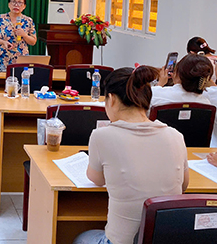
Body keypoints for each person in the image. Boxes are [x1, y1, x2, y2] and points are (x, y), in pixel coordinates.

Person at [73, 66, 189, 244]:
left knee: (83, 237)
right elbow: (183, 185)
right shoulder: (176, 136)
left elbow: (96, 179)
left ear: (111, 99)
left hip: (121, 241)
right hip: (163, 238)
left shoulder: (102, 136)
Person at [0, 0, 37, 71]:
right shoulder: (1, 18)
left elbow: (33, 41)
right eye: (13, 2)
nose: (16, 5)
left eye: (20, 3)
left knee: (21, 82)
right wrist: (3, 42)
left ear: (24, 6)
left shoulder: (28, 21)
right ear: (9, 4)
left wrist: (24, 35)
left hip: (21, 60)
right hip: (3, 59)